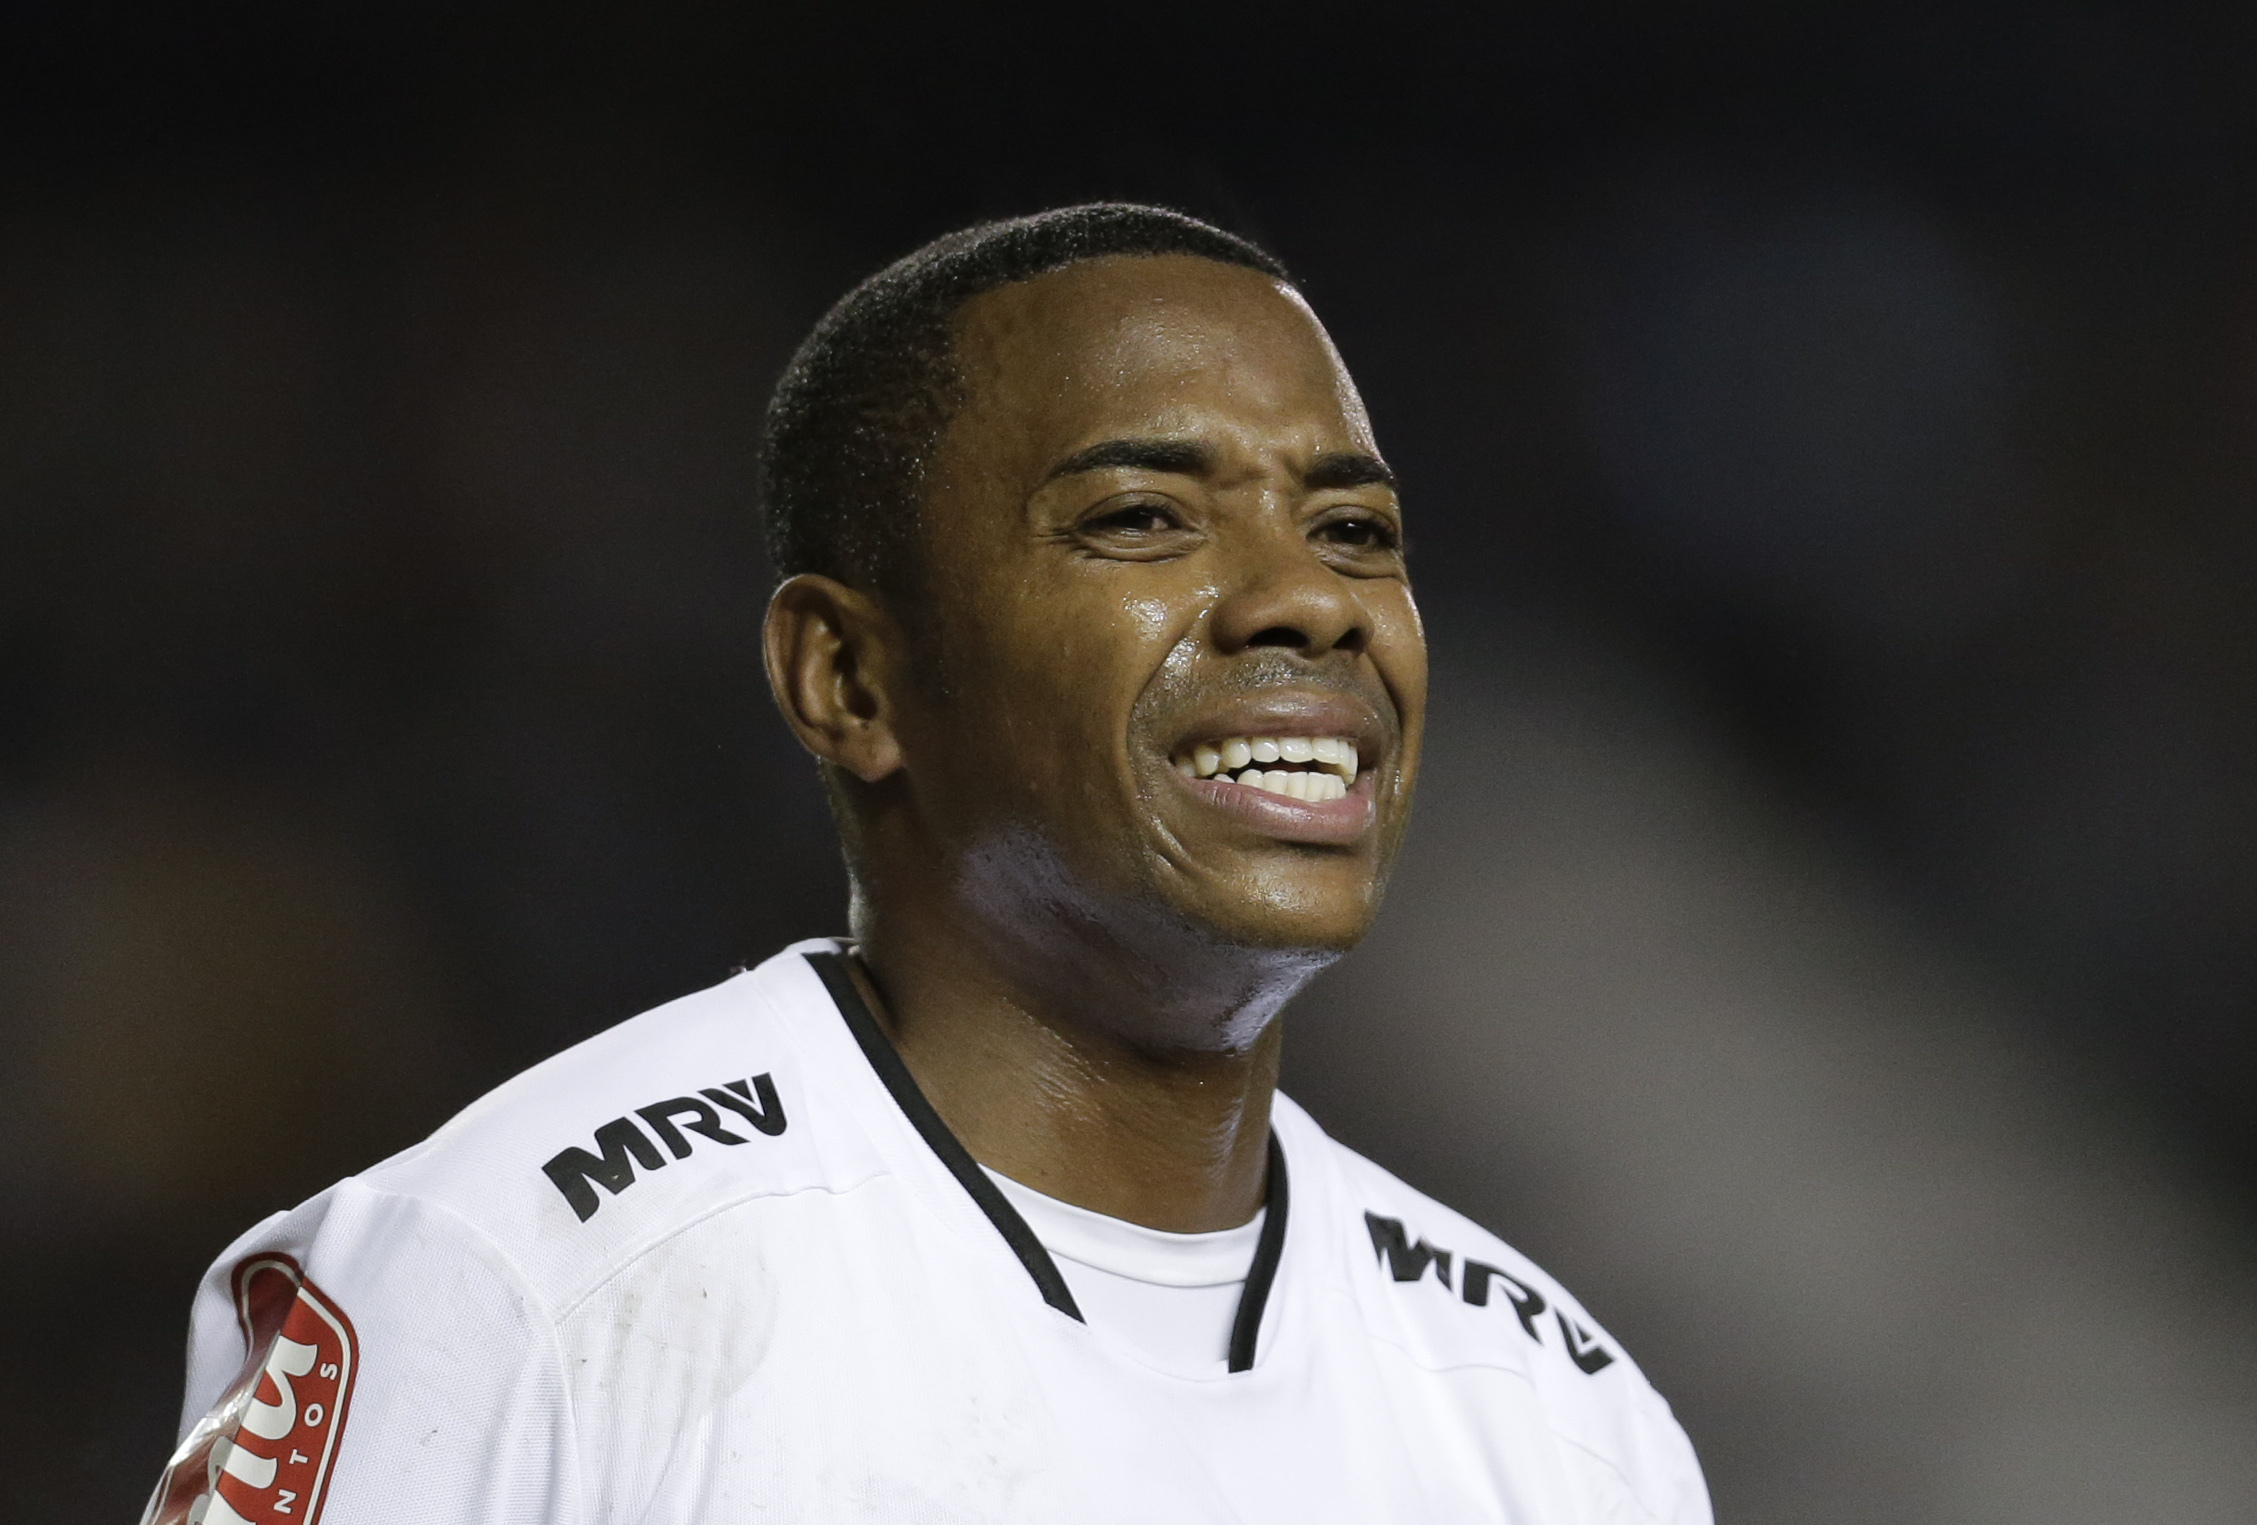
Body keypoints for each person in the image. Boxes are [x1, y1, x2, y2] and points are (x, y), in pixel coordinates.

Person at [142, 204, 1712, 1525]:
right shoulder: (523, 1277)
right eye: (1146, 516)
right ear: (849, 678)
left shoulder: (1560, 1423)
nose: (1306, 600)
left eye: (1357, 531)